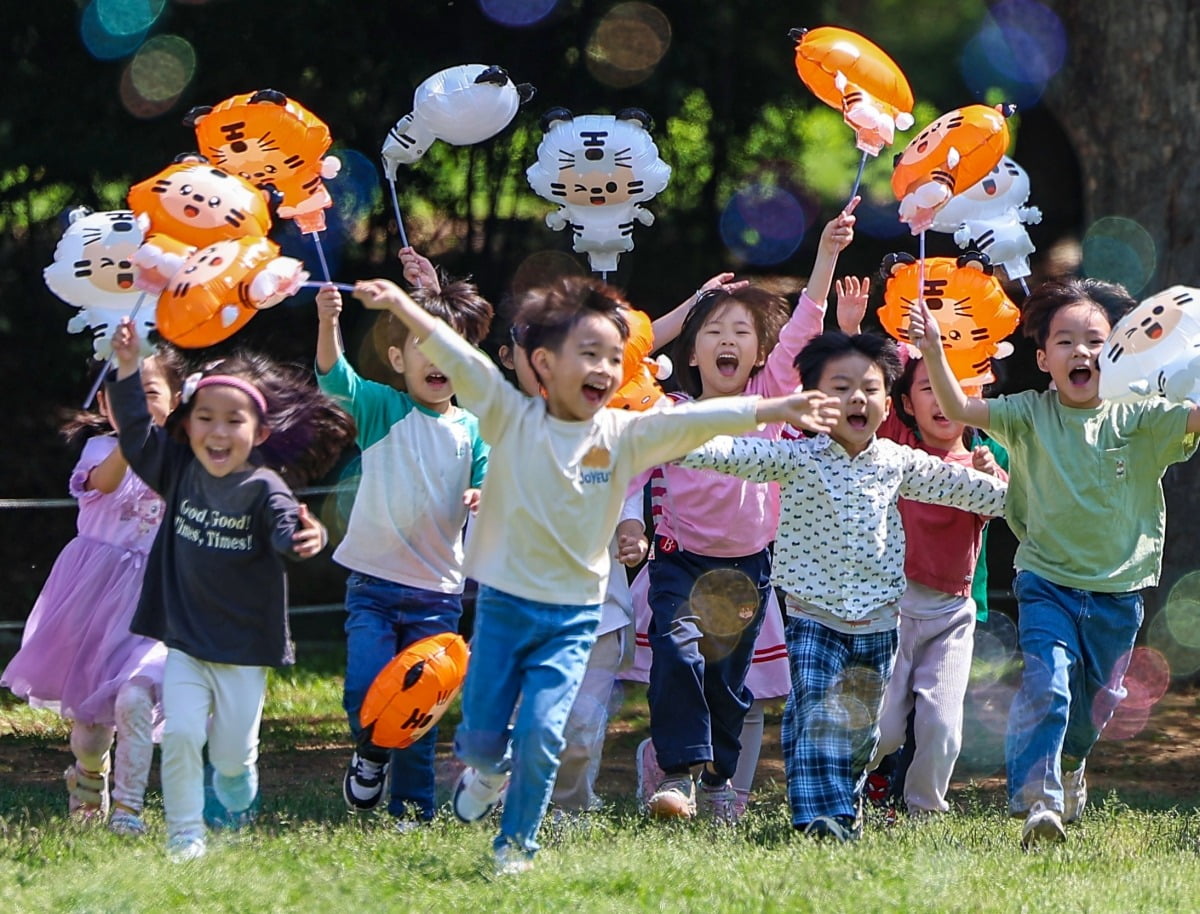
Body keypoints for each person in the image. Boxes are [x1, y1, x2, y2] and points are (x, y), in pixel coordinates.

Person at [350, 273, 838, 875]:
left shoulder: (623, 432)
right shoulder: (507, 415)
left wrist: (780, 405)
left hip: (575, 615)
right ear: (544, 364)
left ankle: (516, 845)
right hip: (505, 610)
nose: (604, 368)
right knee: (482, 738)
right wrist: (402, 304)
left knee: (546, 733)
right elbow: (464, 362)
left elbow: (701, 422)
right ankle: (486, 769)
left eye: (614, 358)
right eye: (589, 355)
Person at [677, 330, 1008, 842]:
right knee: (814, 717)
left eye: (870, 389)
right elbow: (725, 453)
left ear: (885, 401)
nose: (857, 398)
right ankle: (819, 821)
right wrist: (667, 437)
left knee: (860, 732)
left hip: (879, 623)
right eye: (840, 387)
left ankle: (843, 807)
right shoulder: (796, 457)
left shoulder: (898, 461)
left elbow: (977, 495)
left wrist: (999, 480)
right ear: (811, 401)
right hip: (814, 617)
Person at [908, 278, 1200, 846]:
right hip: (1046, 581)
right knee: (1049, 685)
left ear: (1116, 350)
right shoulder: (1027, 413)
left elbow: (1192, 419)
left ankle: (1071, 765)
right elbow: (957, 406)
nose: (1081, 352)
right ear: (1043, 359)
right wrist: (935, 352)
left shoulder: (1136, 414)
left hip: (1119, 591)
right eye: (1065, 342)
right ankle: (1038, 801)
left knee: (1097, 707)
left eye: (1095, 340)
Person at [637, 202, 859, 822]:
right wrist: (692, 306)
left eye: (740, 332)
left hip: (750, 570)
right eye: (713, 333)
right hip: (680, 564)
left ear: (761, 354)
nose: (726, 340)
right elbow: (628, 356)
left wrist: (826, 254)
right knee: (678, 654)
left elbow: (803, 327)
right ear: (691, 353)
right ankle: (677, 776)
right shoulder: (671, 408)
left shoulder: (770, 401)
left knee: (729, 686)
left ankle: (716, 779)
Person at [105, 318, 353, 862]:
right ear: (187, 424)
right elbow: (132, 428)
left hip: (244, 649)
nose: (218, 432)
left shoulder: (265, 487)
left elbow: (291, 527)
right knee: (181, 736)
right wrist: (126, 367)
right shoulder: (176, 470)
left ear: (259, 433)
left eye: (233, 421)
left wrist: (308, 537)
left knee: (232, 756)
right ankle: (185, 834)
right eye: (206, 419)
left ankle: (239, 779)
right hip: (186, 641)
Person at [315, 252, 492, 830]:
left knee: (421, 712)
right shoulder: (381, 409)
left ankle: (413, 810)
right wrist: (327, 321)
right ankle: (369, 757)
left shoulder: (473, 429)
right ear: (397, 358)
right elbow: (334, 377)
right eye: (423, 347)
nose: (438, 361)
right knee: (365, 690)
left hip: (438, 595)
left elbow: (491, 480)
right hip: (372, 585)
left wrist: (482, 496)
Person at [837, 275, 1006, 817]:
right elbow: (863, 387)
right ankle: (851, 789)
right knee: (884, 729)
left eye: (954, 384)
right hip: (891, 607)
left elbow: (1004, 502)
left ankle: (926, 810)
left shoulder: (982, 457)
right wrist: (850, 329)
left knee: (941, 724)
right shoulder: (897, 443)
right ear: (905, 401)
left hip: (953, 613)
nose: (942, 396)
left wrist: (991, 476)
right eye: (928, 386)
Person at [2, 350, 184, 835]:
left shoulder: (189, 452)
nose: (138, 405)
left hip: (157, 598)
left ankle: (128, 810)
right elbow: (107, 482)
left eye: (149, 393)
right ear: (105, 404)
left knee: (137, 696)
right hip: (97, 598)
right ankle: (88, 775)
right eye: (126, 396)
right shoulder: (100, 451)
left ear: (176, 398)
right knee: (90, 728)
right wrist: (131, 439)